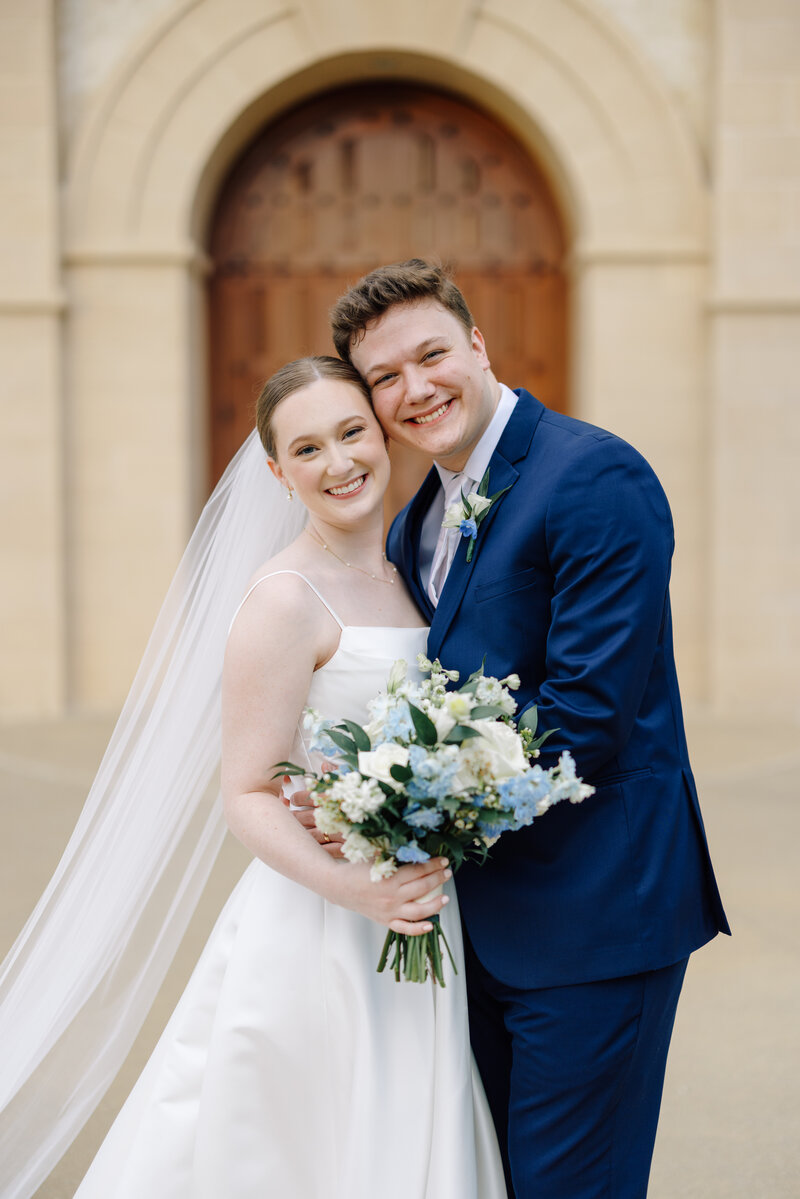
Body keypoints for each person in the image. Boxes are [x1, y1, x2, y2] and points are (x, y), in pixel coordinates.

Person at [0, 357, 507, 1199]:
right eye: (307, 449)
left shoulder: (412, 569)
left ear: (383, 435)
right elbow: (244, 793)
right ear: (278, 473)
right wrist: (360, 892)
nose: (339, 462)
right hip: (324, 925)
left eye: (351, 433)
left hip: (416, 907)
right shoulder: (283, 599)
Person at [321, 259, 731, 1199]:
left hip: (595, 917)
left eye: (431, 355)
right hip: (478, 927)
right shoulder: (416, 514)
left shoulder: (593, 475)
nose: (415, 389)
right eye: (385, 378)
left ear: (478, 343)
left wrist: (407, 817)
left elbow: (588, 714)